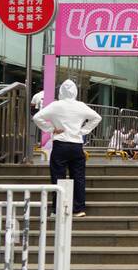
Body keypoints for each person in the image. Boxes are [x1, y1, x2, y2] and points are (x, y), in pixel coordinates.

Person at [32, 79, 101, 217]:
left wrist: (51, 129)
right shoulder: (81, 105)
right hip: (76, 145)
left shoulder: (56, 105)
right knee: (79, 177)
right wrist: (83, 131)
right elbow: (96, 117)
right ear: (75, 91)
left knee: (58, 177)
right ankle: (78, 208)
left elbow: (37, 117)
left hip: (60, 144)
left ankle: (57, 209)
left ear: (61, 91)